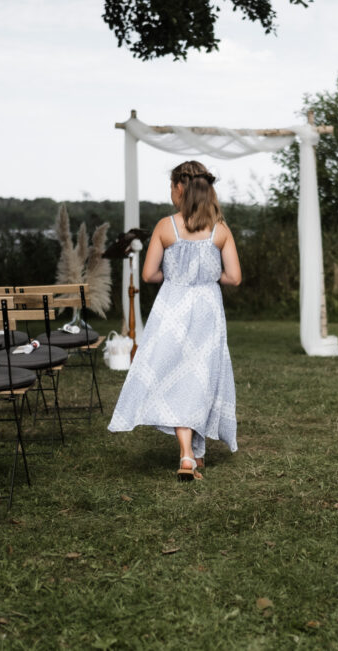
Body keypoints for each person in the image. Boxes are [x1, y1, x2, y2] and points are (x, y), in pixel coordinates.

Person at [108, 160, 241, 481]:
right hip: (207, 307)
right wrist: (209, 277)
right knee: (200, 376)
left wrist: (177, 273)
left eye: (171, 186)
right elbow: (234, 277)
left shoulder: (165, 227)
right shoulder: (220, 230)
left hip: (172, 307)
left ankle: (187, 454)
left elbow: (149, 273)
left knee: (176, 373)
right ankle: (192, 453)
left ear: (181, 188)